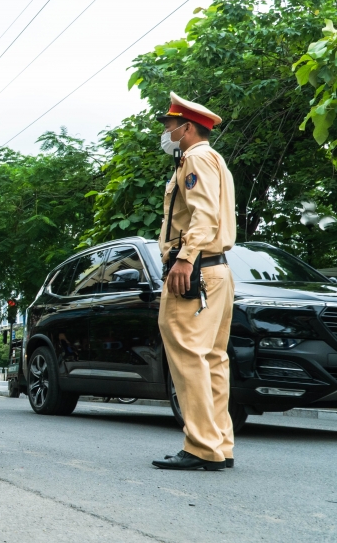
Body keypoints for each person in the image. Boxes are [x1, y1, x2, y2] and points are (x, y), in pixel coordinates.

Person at [151, 93, 236, 471]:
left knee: (187, 355)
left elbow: (204, 217)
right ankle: (219, 444)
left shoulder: (196, 158)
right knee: (213, 358)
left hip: (197, 269)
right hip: (218, 270)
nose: (166, 132)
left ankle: (201, 446)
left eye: (170, 126)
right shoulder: (214, 159)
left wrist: (184, 259)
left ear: (186, 128)